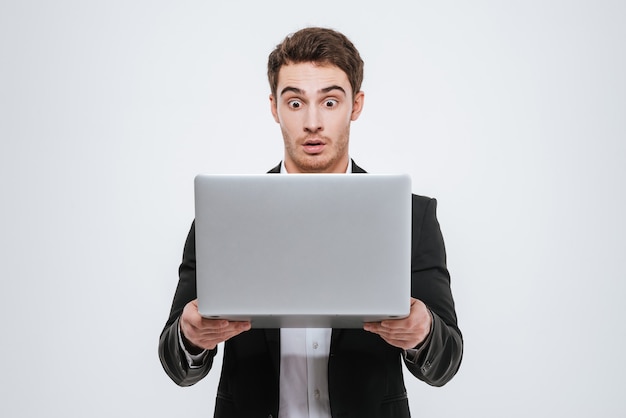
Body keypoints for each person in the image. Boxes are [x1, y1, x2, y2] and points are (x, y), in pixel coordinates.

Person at [159, 27, 463, 418]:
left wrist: (423, 333)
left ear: (356, 105)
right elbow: (176, 362)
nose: (313, 122)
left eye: (331, 102)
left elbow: (446, 362)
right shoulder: (226, 214)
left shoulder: (410, 215)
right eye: (296, 103)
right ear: (275, 108)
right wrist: (190, 337)